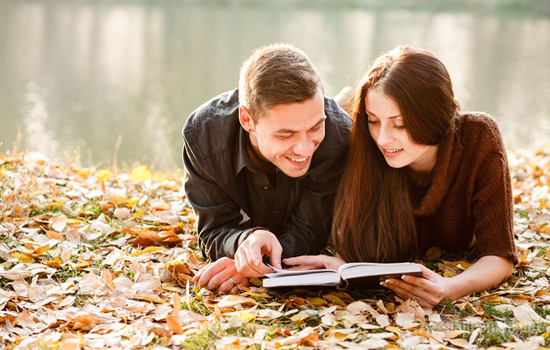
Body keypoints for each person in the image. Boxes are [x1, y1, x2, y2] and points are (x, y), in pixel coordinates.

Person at [285, 45, 517, 307]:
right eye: (373, 120)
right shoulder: (366, 148)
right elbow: (358, 236)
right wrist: (342, 264)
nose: (383, 138)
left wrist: (450, 287)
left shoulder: (479, 137)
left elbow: (500, 256)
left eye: (400, 124)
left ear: (433, 116)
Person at [183, 43, 351, 294]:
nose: (305, 149)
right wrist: (244, 242)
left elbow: (309, 231)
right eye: (286, 134)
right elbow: (213, 229)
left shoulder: (340, 138)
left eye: (315, 127)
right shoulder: (204, 137)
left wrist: (251, 266)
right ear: (247, 120)